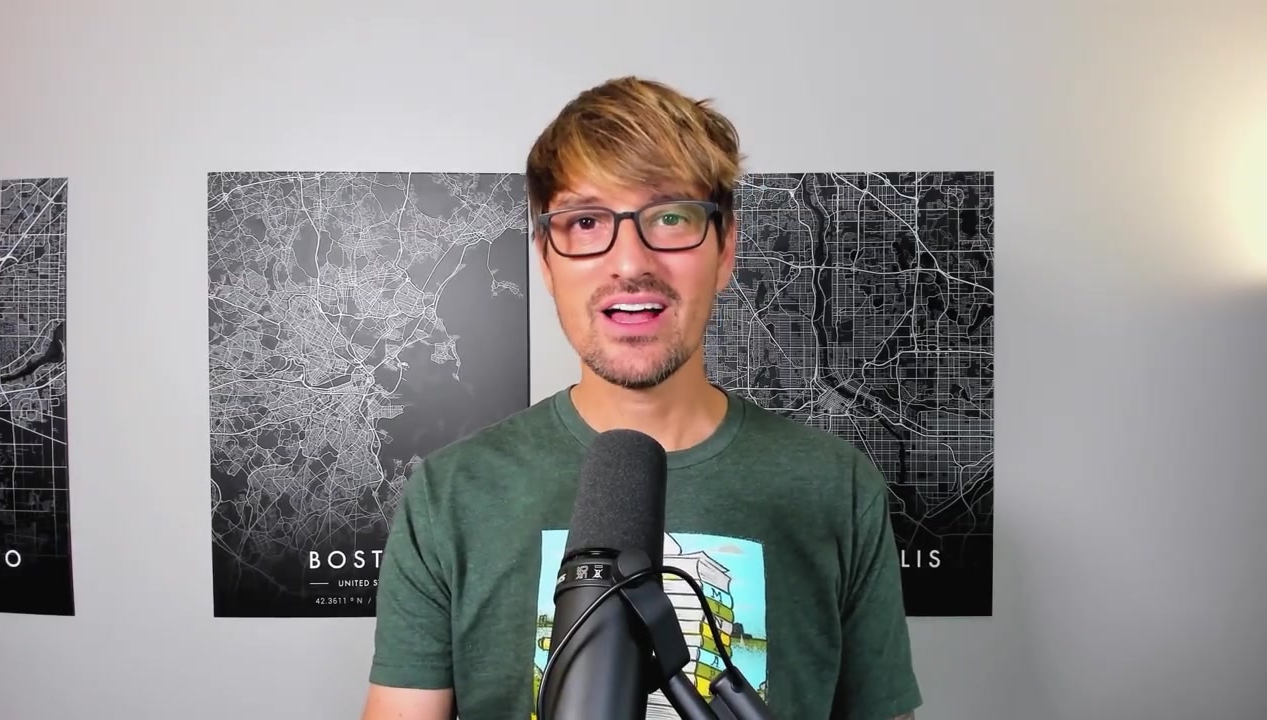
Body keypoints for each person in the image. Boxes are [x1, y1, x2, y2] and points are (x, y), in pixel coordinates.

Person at [360, 76, 922, 720]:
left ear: (726, 249)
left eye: (671, 217)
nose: (630, 262)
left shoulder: (837, 486)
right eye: (586, 221)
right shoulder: (451, 494)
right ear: (546, 260)